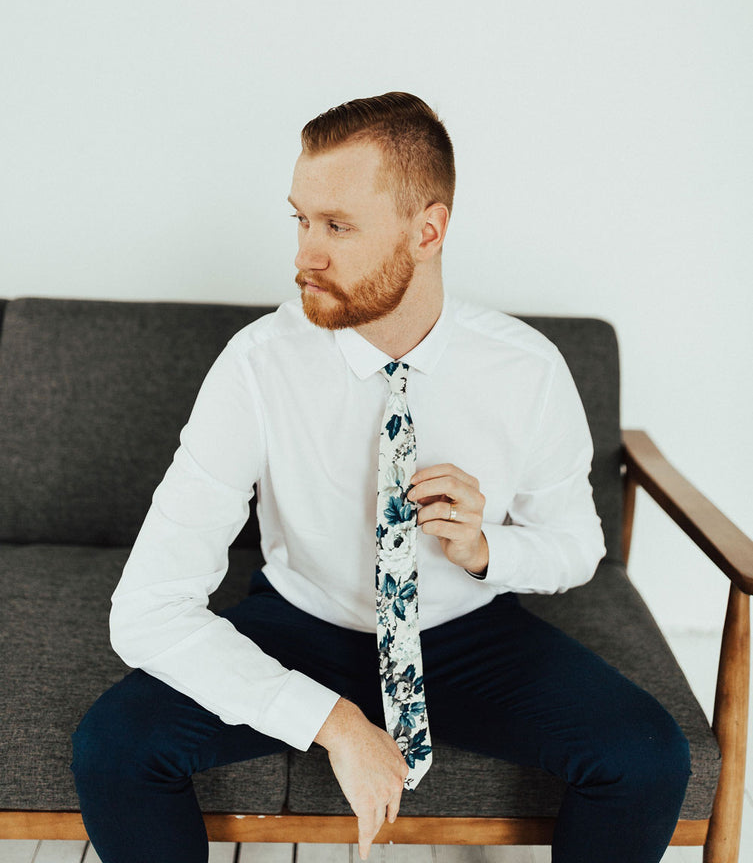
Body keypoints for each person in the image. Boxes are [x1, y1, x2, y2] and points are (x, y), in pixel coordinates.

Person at [72, 92, 690, 863]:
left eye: (337, 226)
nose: (304, 255)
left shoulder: (525, 368)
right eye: (300, 220)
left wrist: (485, 550)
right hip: (301, 626)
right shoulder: (258, 364)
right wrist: (331, 722)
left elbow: (574, 545)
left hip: (465, 632)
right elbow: (145, 611)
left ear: (426, 230)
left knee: (646, 756)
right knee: (114, 748)